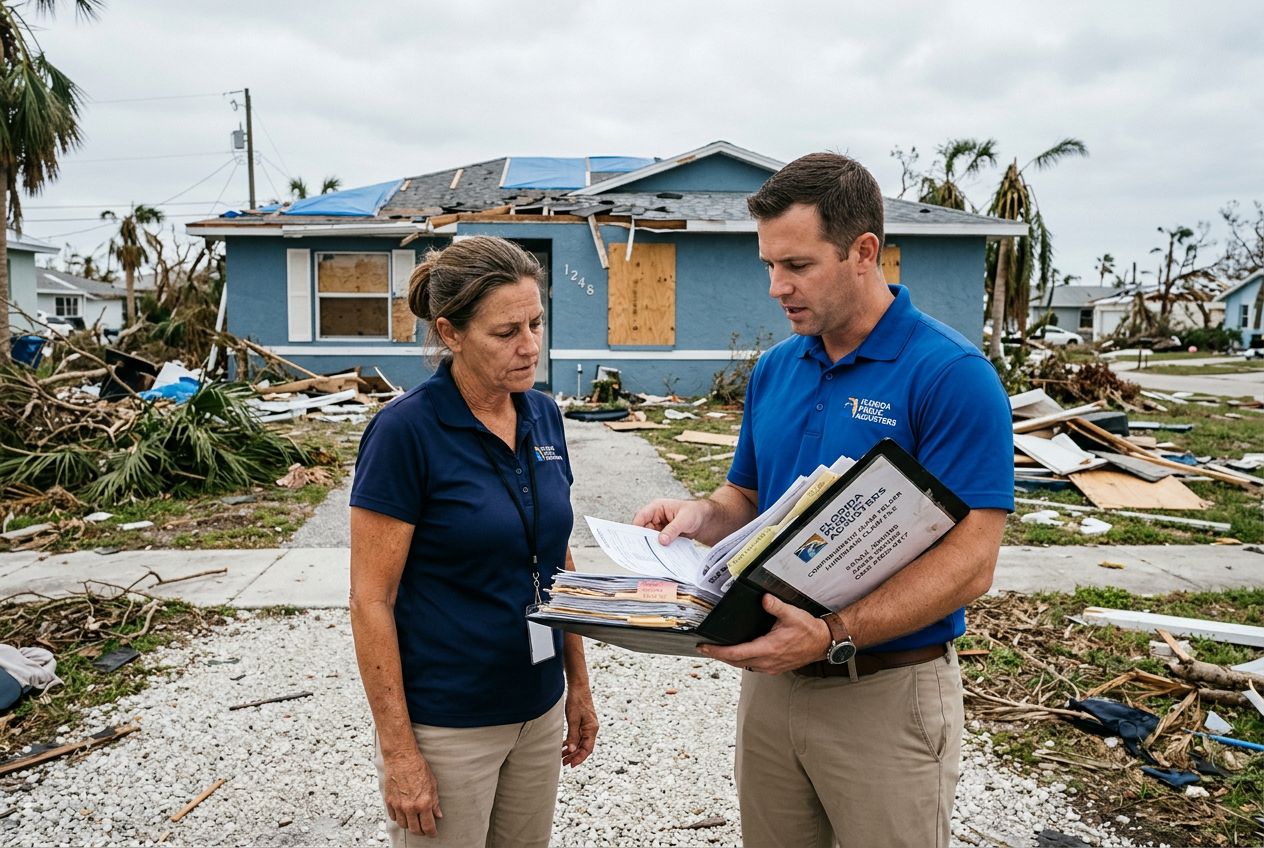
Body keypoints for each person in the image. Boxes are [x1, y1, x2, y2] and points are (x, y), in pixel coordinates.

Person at [634, 153, 1013, 848]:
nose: (777, 287)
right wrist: (702, 516)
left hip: (885, 692)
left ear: (863, 251)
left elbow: (972, 562)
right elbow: (747, 494)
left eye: (798, 266)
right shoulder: (779, 367)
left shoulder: (951, 375)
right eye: (768, 266)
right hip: (772, 685)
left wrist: (836, 633)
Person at [349, 236, 598, 847]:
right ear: (451, 332)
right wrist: (400, 752)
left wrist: (578, 686)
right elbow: (369, 600)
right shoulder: (405, 432)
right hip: (450, 724)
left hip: (538, 708)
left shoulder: (542, 413)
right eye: (506, 331)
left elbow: (554, 553)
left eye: (536, 323)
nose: (530, 345)